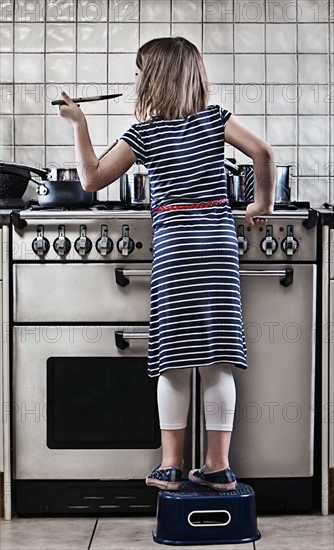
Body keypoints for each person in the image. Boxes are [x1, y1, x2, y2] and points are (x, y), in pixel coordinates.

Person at [59, 36, 276, 492]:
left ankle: (171, 466)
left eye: (139, 73)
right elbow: (263, 153)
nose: (135, 80)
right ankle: (218, 466)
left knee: (173, 362)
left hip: (176, 251)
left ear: (153, 79)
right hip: (216, 248)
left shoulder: (145, 133)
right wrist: (261, 204)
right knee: (219, 361)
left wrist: (79, 123)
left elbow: (93, 178)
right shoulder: (216, 120)